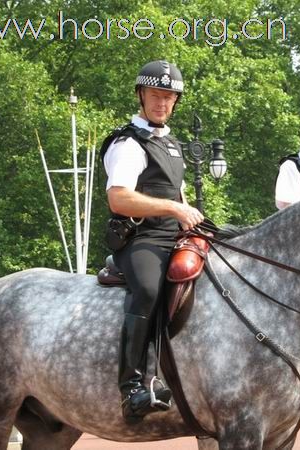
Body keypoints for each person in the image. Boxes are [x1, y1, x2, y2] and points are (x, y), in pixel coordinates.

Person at [100, 60, 204, 420]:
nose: (163, 103)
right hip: (139, 238)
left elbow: (180, 196)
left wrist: (197, 223)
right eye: (156, 95)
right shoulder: (127, 143)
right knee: (147, 288)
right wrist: (173, 209)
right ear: (141, 96)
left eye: (170, 97)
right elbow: (119, 197)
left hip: (173, 235)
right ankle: (132, 388)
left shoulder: (172, 145)